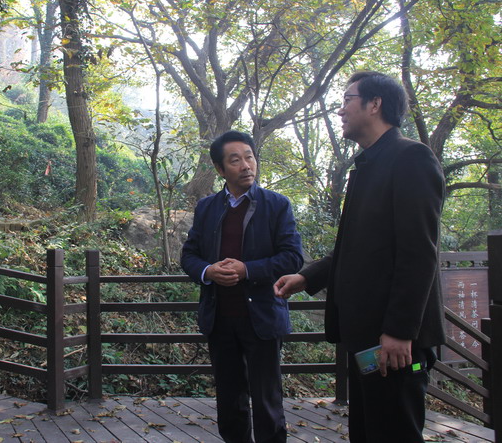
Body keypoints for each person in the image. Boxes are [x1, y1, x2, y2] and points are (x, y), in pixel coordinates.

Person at [274, 71, 445, 443]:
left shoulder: (411, 158)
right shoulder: (367, 166)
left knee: (394, 433)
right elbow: (355, 246)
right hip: (366, 334)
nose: (340, 110)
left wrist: (400, 331)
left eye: (347, 100)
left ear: (374, 104)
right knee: (367, 432)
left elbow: (418, 253)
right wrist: (307, 277)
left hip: (394, 340)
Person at [181, 130, 303, 443]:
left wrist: (247, 269)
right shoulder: (207, 207)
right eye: (235, 160)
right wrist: (208, 271)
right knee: (229, 399)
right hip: (220, 317)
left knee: (267, 399)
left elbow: (292, 257)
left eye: (249, 157)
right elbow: (189, 255)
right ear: (220, 169)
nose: (246, 165)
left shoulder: (277, 205)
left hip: (262, 316)